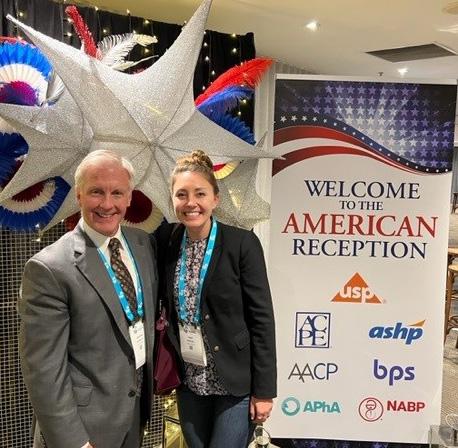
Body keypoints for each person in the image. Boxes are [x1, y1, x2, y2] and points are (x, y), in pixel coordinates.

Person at [18, 150, 158, 448]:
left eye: (117, 193)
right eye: (96, 192)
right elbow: (44, 370)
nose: (107, 204)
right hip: (84, 428)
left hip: (133, 414)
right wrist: (73, 441)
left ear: (129, 197)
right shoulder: (49, 267)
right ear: (79, 195)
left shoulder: (142, 244)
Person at [155, 150, 276, 448]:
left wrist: (264, 391)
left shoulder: (242, 243)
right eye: (181, 194)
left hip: (234, 381)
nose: (191, 203)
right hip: (189, 379)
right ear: (172, 200)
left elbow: (262, 319)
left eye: (200, 193)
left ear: (215, 199)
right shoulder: (166, 241)